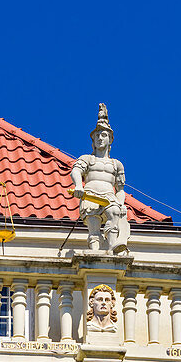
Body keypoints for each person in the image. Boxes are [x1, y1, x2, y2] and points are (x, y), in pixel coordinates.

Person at [72, 104, 129, 254]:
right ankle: (95, 251)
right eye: (97, 136)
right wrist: (79, 185)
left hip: (109, 196)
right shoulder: (88, 159)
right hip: (90, 194)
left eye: (103, 135)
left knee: (115, 213)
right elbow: (76, 171)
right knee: (94, 225)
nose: (99, 138)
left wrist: (121, 203)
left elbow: (120, 190)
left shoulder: (117, 164)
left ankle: (112, 246)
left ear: (110, 139)